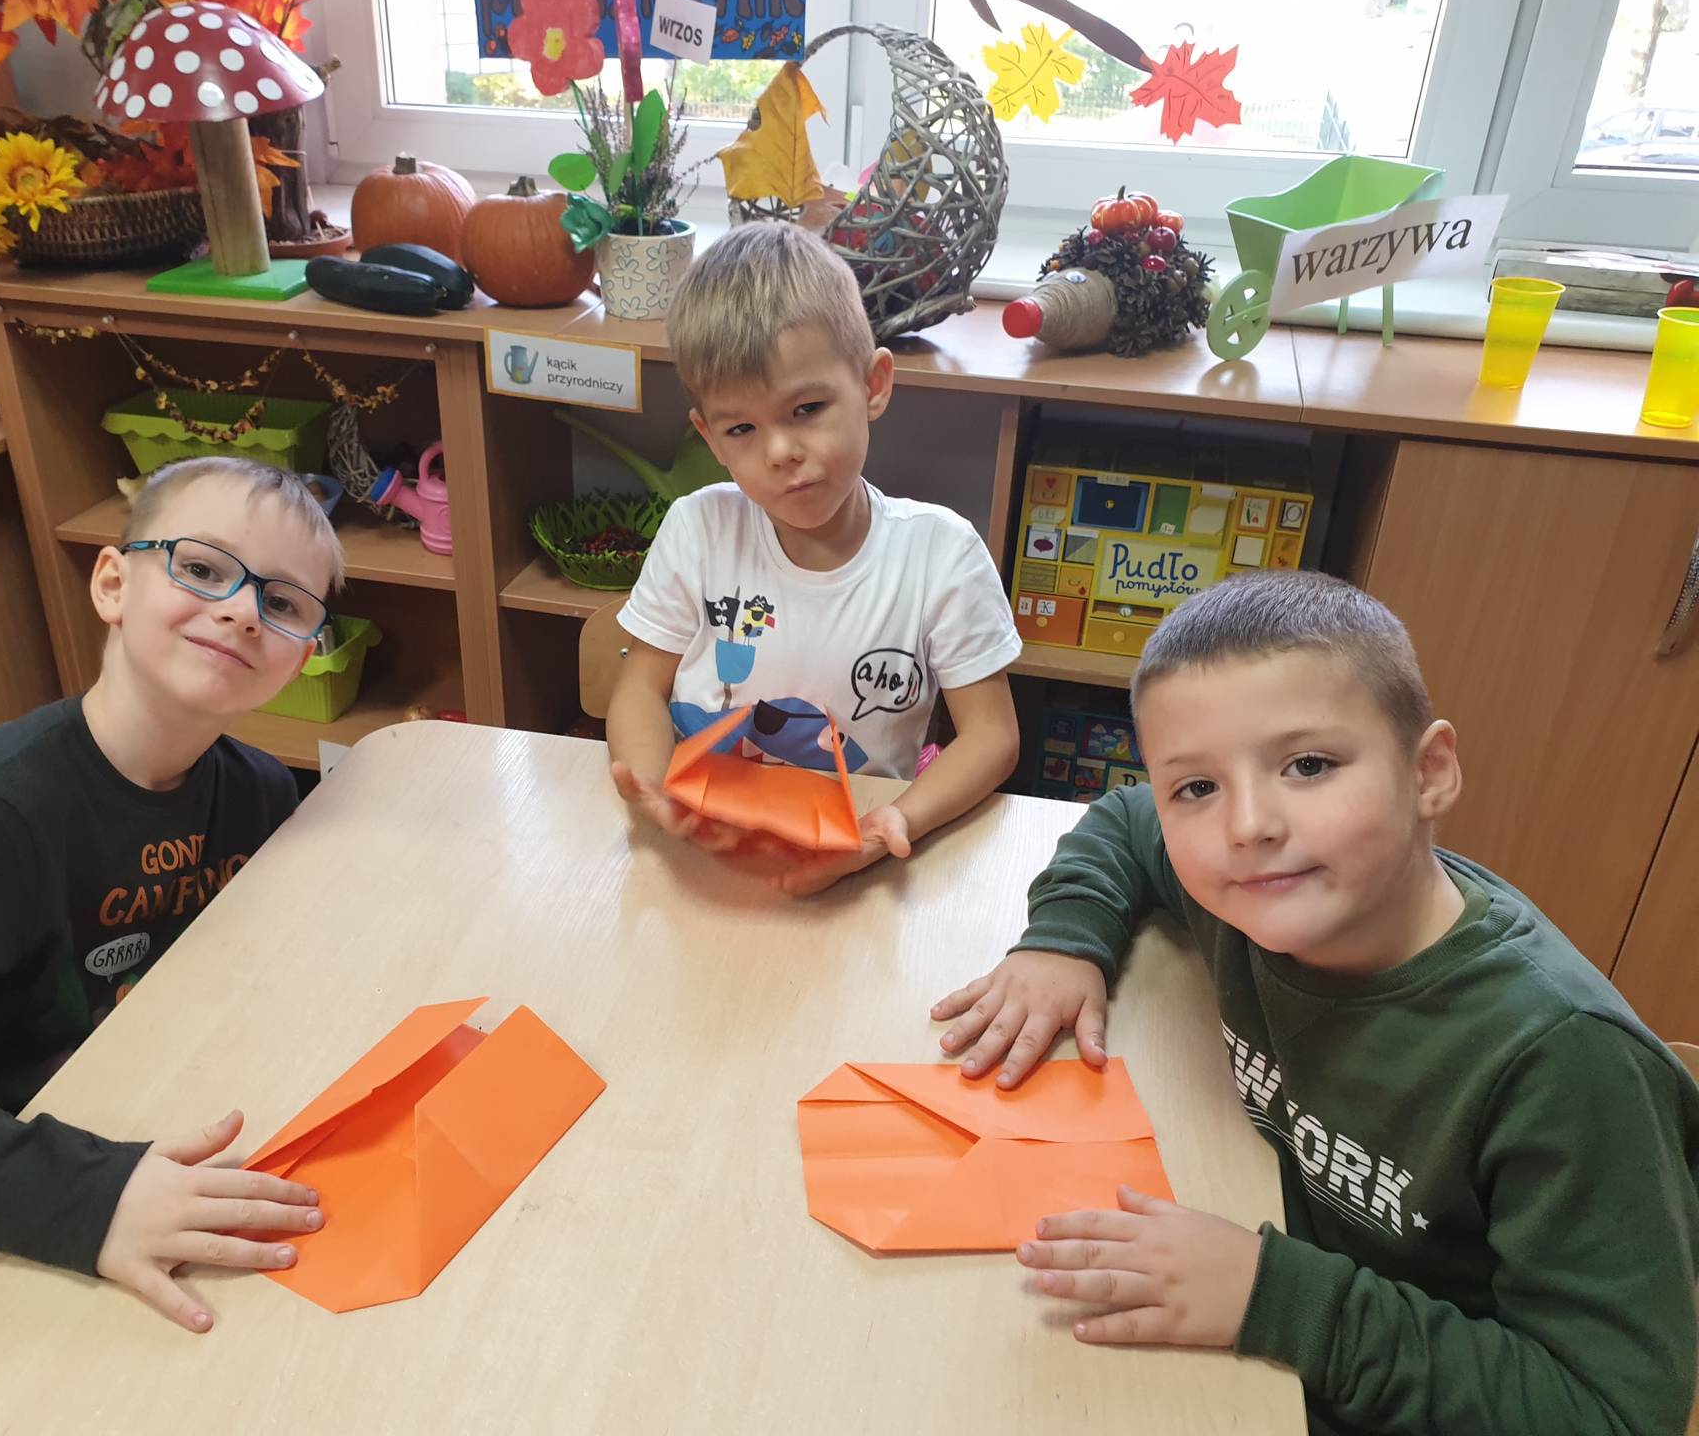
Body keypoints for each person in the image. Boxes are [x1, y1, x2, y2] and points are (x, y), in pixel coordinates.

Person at [934, 569, 1699, 1433]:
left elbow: (1613, 1412)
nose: (1247, 826)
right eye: (1198, 787)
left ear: (1429, 772)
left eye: (1309, 766)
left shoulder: (1566, 1062)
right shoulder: (1260, 888)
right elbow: (1126, 818)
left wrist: (1272, 1296)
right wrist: (1065, 940)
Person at [0, 456, 347, 1334]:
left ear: (300, 658)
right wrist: (98, 1200)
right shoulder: (2, 805)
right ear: (112, 585)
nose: (243, 610)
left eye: (285, 604)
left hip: (131, 1113)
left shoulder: (260, 792)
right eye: (202, 567)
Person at [608, 222, 1022, 895]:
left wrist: (898, 819)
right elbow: (638, 690)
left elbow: (992, 737)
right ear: (710, 437)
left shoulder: (941, 555)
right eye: (742, 428)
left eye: (806, 409)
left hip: (858, 851)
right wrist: (658, 795)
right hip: (704, 848)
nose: (779, 452)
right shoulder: (698, 528)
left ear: (873, 385)